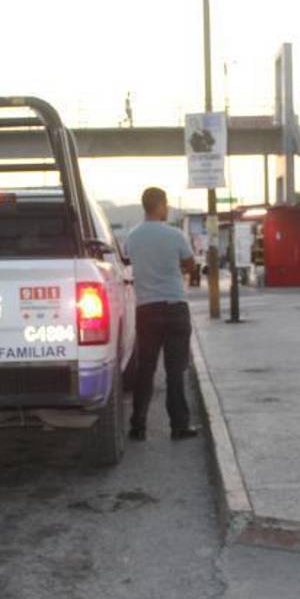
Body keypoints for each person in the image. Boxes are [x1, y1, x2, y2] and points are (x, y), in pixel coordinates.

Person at [123, 187, 200, 440]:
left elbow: (128, 263)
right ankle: (179, 426)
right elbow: (191, 265)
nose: (167, 209)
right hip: (175, 307)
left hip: (146, 309)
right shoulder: (175, 235)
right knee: (174, 371)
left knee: (145, 369)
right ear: (158, 205)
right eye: (165, 205)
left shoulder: (132, 237)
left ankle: (138, 426)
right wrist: (173, 266)